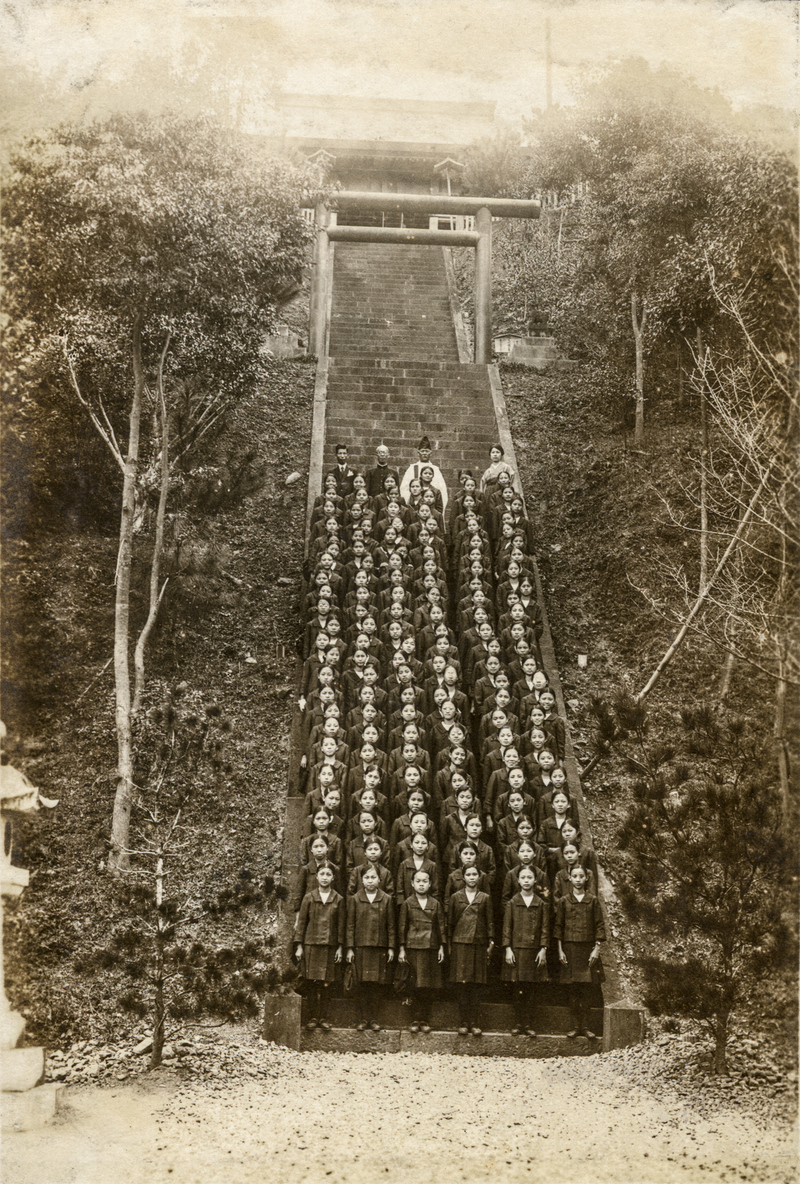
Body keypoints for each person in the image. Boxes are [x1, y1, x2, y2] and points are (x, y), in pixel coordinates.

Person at [555, 864, 605, 1040]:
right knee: (573, 991)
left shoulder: (593, 900)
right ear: (569, 878)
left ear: (586, 878)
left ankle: (586, 1026)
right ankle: (575, 1026)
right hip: (569, 949)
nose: (577, 879)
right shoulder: (563, 901)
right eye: (574, 876)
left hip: (588, 950)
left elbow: (599, 925)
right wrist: (560, 951)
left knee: (587, 990)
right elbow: (558, 927)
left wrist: (596, 949)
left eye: (580, 876)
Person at [293, 862, 345, 1032]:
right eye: (322, 874)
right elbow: (301, 924)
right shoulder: (308, 897)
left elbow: (341, 926)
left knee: (327, 984)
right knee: (311, 982)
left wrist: (340, 947)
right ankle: (312, 1017)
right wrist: (299, 945)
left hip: (329, 947)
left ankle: (324, 1018)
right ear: (316, 876)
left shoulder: (338, 899)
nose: (324, 878)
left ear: (333, 878)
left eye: (328, 874)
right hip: (311, 946)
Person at [502, 864, 550, 1037]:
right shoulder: (512, 903)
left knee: (531, 989)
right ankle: (517, 1023)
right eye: (523, 877)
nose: (526, 881)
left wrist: (543, 949)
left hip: (533, 952)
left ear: (535, 880)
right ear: (518, 880)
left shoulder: (541, 903)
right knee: (517, 988)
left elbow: (545, 929)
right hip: (517, 951)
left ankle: (529, 1023)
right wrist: (508, 948)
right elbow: (507, 928)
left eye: (529, 877)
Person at [346, 864, 396, 1031]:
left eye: (373, 877)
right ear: (361, 880)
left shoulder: (387, 899)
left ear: (380, 880)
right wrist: (350, 948)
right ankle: (362, 1019)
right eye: (366, 877)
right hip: (361, 947)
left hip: (379, 948)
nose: (370, 881)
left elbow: (391, 926)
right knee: (361, 984)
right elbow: (350, 925)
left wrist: (390, 947)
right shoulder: (355, 899)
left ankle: (374, 1019)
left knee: (376, 984)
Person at [447, 863, 494, 1036]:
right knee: (462, 984)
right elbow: (450, 923)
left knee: (476, 984)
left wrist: (491, 941)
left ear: (479, 877)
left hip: (478, 944)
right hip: (460, 944)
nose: (472, 877)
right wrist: (449, 945)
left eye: (475, 874)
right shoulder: (455, 897)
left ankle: (474, 1022)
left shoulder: (485, 898)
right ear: (463, 877)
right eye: (469, 874)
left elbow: (489, 921)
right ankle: (463, 1021)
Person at [398, 869, 446, 1032]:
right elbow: (402, 927)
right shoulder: (407, 903)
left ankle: (425, 1020)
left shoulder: (435, 903)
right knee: (414, 984)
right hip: (413, 947)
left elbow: (440, 927)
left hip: (430, 948)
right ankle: (414, 1019)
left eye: (425, 881)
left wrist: (441, 946)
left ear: (430, 884)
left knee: (427, 985)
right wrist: (402, 949)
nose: (421, 884)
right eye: (418, 881)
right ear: (412, 883)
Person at [399, 436, 448, 513]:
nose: (424, 453)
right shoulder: (412, 468)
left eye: (427, 451)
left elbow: (442, 491)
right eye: (422, 451)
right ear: (418, 453)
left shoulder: (435, 469)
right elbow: (404, 489)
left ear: (431, 453)